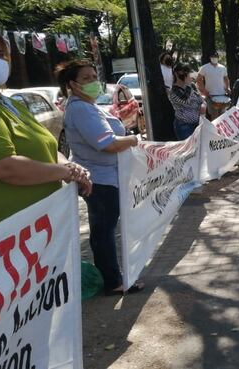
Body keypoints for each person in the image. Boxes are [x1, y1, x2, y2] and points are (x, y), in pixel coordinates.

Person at [0, 29, 91, 229]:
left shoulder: (10, 103)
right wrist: (64, 172)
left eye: (0, 54)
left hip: (40, 230)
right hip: (6, 237)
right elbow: (3, 167)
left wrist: (70, 168)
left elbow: (48, 145)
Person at [58, 59, 144, 295]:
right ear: (72, 84)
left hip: (108, 177)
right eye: (86, 78)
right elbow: (106, 143)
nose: (94, 82)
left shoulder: (89, 105)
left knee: (105, 230)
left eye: (94, 77)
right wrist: (135, 140)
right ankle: (113, 281)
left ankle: (115, 277)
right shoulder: (80, 109)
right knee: (104, 232)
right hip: (99, 180)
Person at [168, 62, 203, 140]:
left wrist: (203, 105)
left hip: (198, 124)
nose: (188, 75)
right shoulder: (174, 91)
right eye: (185, 72)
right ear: (177, 74)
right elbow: (185, 100)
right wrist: (188, 85)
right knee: (189, 151)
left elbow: (201, 100)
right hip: (184, 127)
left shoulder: (192, 86)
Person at [197, 52, 230, 120]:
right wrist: (204, 90)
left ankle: (221, 130)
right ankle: (214, 130)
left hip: (222, 94)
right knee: (214, 116)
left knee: (223, 116)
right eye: (213, 56)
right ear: (210, 58)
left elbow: (226, 79)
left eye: (216, 56)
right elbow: (199, 79)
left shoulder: (223, 67)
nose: (214, 58)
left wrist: (228, 88)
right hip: (211, 95)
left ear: (218, 57)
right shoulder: (205, 67)